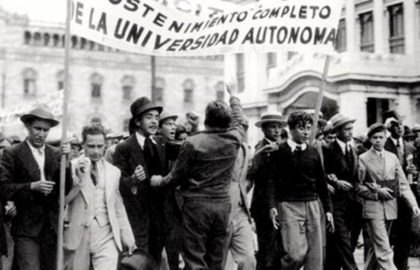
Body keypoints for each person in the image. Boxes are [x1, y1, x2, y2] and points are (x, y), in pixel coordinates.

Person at [149, 85, 247, 270]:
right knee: (216, 258)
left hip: (197, 206)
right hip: (223, 206)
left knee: (195, 258)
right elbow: (240, 120)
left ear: (206, 120)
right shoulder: (234, 139)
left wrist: (157, 181)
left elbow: (174, 178)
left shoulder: (192, 143)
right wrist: (234, 96)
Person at [0, 106, 71, 270]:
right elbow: (3, 188)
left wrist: (66, 163)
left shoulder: (56, 153)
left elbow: (65, 188)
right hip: (26, 227)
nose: (41, 134)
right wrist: (32, 187)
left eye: (46, 130)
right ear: (28, 127)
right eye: (37, 128)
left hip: (51, 227)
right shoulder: (13, 153)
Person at [268, 111, 334, 270]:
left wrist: (328, 210)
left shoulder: (313, 152)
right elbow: (272, 182)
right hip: (288, 206)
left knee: (315, 258)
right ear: (290, 129)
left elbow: (321, 183)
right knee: (295, 254)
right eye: (301, 128)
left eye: (309, 128)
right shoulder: (279, 152)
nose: (306, 132)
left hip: (312, 205)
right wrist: (272, 206)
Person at [63, 124, 136, 270]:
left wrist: (128, 237)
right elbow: (63, 201)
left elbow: (118, 207)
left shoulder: (114, 172)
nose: (96, 151)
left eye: (99, 146)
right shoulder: (70, 167)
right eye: (91, 146)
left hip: (106, 234)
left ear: (106, 145)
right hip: (78, 233)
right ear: (83, 144)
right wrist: (78, 179)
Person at [358, 123, 420, 270]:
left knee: (377, 247)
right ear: (370, 139)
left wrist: (413, 204)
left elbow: (403, 184)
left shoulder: (392, 158)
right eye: (374, 138)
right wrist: (375, 191)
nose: (378, 140)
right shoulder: (363, 158)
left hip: (391, 208)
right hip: (373, 208)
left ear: (386, 138)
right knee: (384, 248)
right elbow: (357, 186)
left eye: (381, 137)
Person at [113, 97, 167, 265]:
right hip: (136, 216)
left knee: (156, 259)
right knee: (138, 260)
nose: (154, 122)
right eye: (149, 117)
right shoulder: (124, 148)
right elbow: (117, 185)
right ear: (137, 121)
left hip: (158, 216)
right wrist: (133, 180)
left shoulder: (160, 144)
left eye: (157, 117)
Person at [248, 112, 286, 270]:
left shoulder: (281, 146)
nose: (277, 131)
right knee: (268, 250)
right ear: (264, 130)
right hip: (264, 205)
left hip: (279, 202)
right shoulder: (262, 148)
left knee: (279, 249)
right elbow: (259, 174)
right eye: (272, 127)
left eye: (279, 127)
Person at [323, 114, 360, 270]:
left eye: (351, 129)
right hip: (335, 205)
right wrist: (334, 182)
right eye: (346, 129)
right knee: (344, 244)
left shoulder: (353, 150)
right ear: (337, 131)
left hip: (352, 204)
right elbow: (320, 173)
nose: (350, 132)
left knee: (337, 250)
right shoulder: (328, 149)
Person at [383, 111, 416, 270]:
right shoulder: (384, 144)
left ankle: (402, 266)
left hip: (407, 194)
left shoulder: (409, 147)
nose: (400, 128)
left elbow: (414, 169)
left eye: (402, 125)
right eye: (396, 125)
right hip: (390, 194)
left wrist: (413, 171)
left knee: (405, 233)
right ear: (389, 128)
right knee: (389, 233)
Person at [223, 143, 256, 270]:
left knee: (249, 259)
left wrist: (242, 188)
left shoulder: (244, 148)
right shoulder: (213, 145)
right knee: (218, 261)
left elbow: (248, 176)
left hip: (240, 211)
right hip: (220, 211)